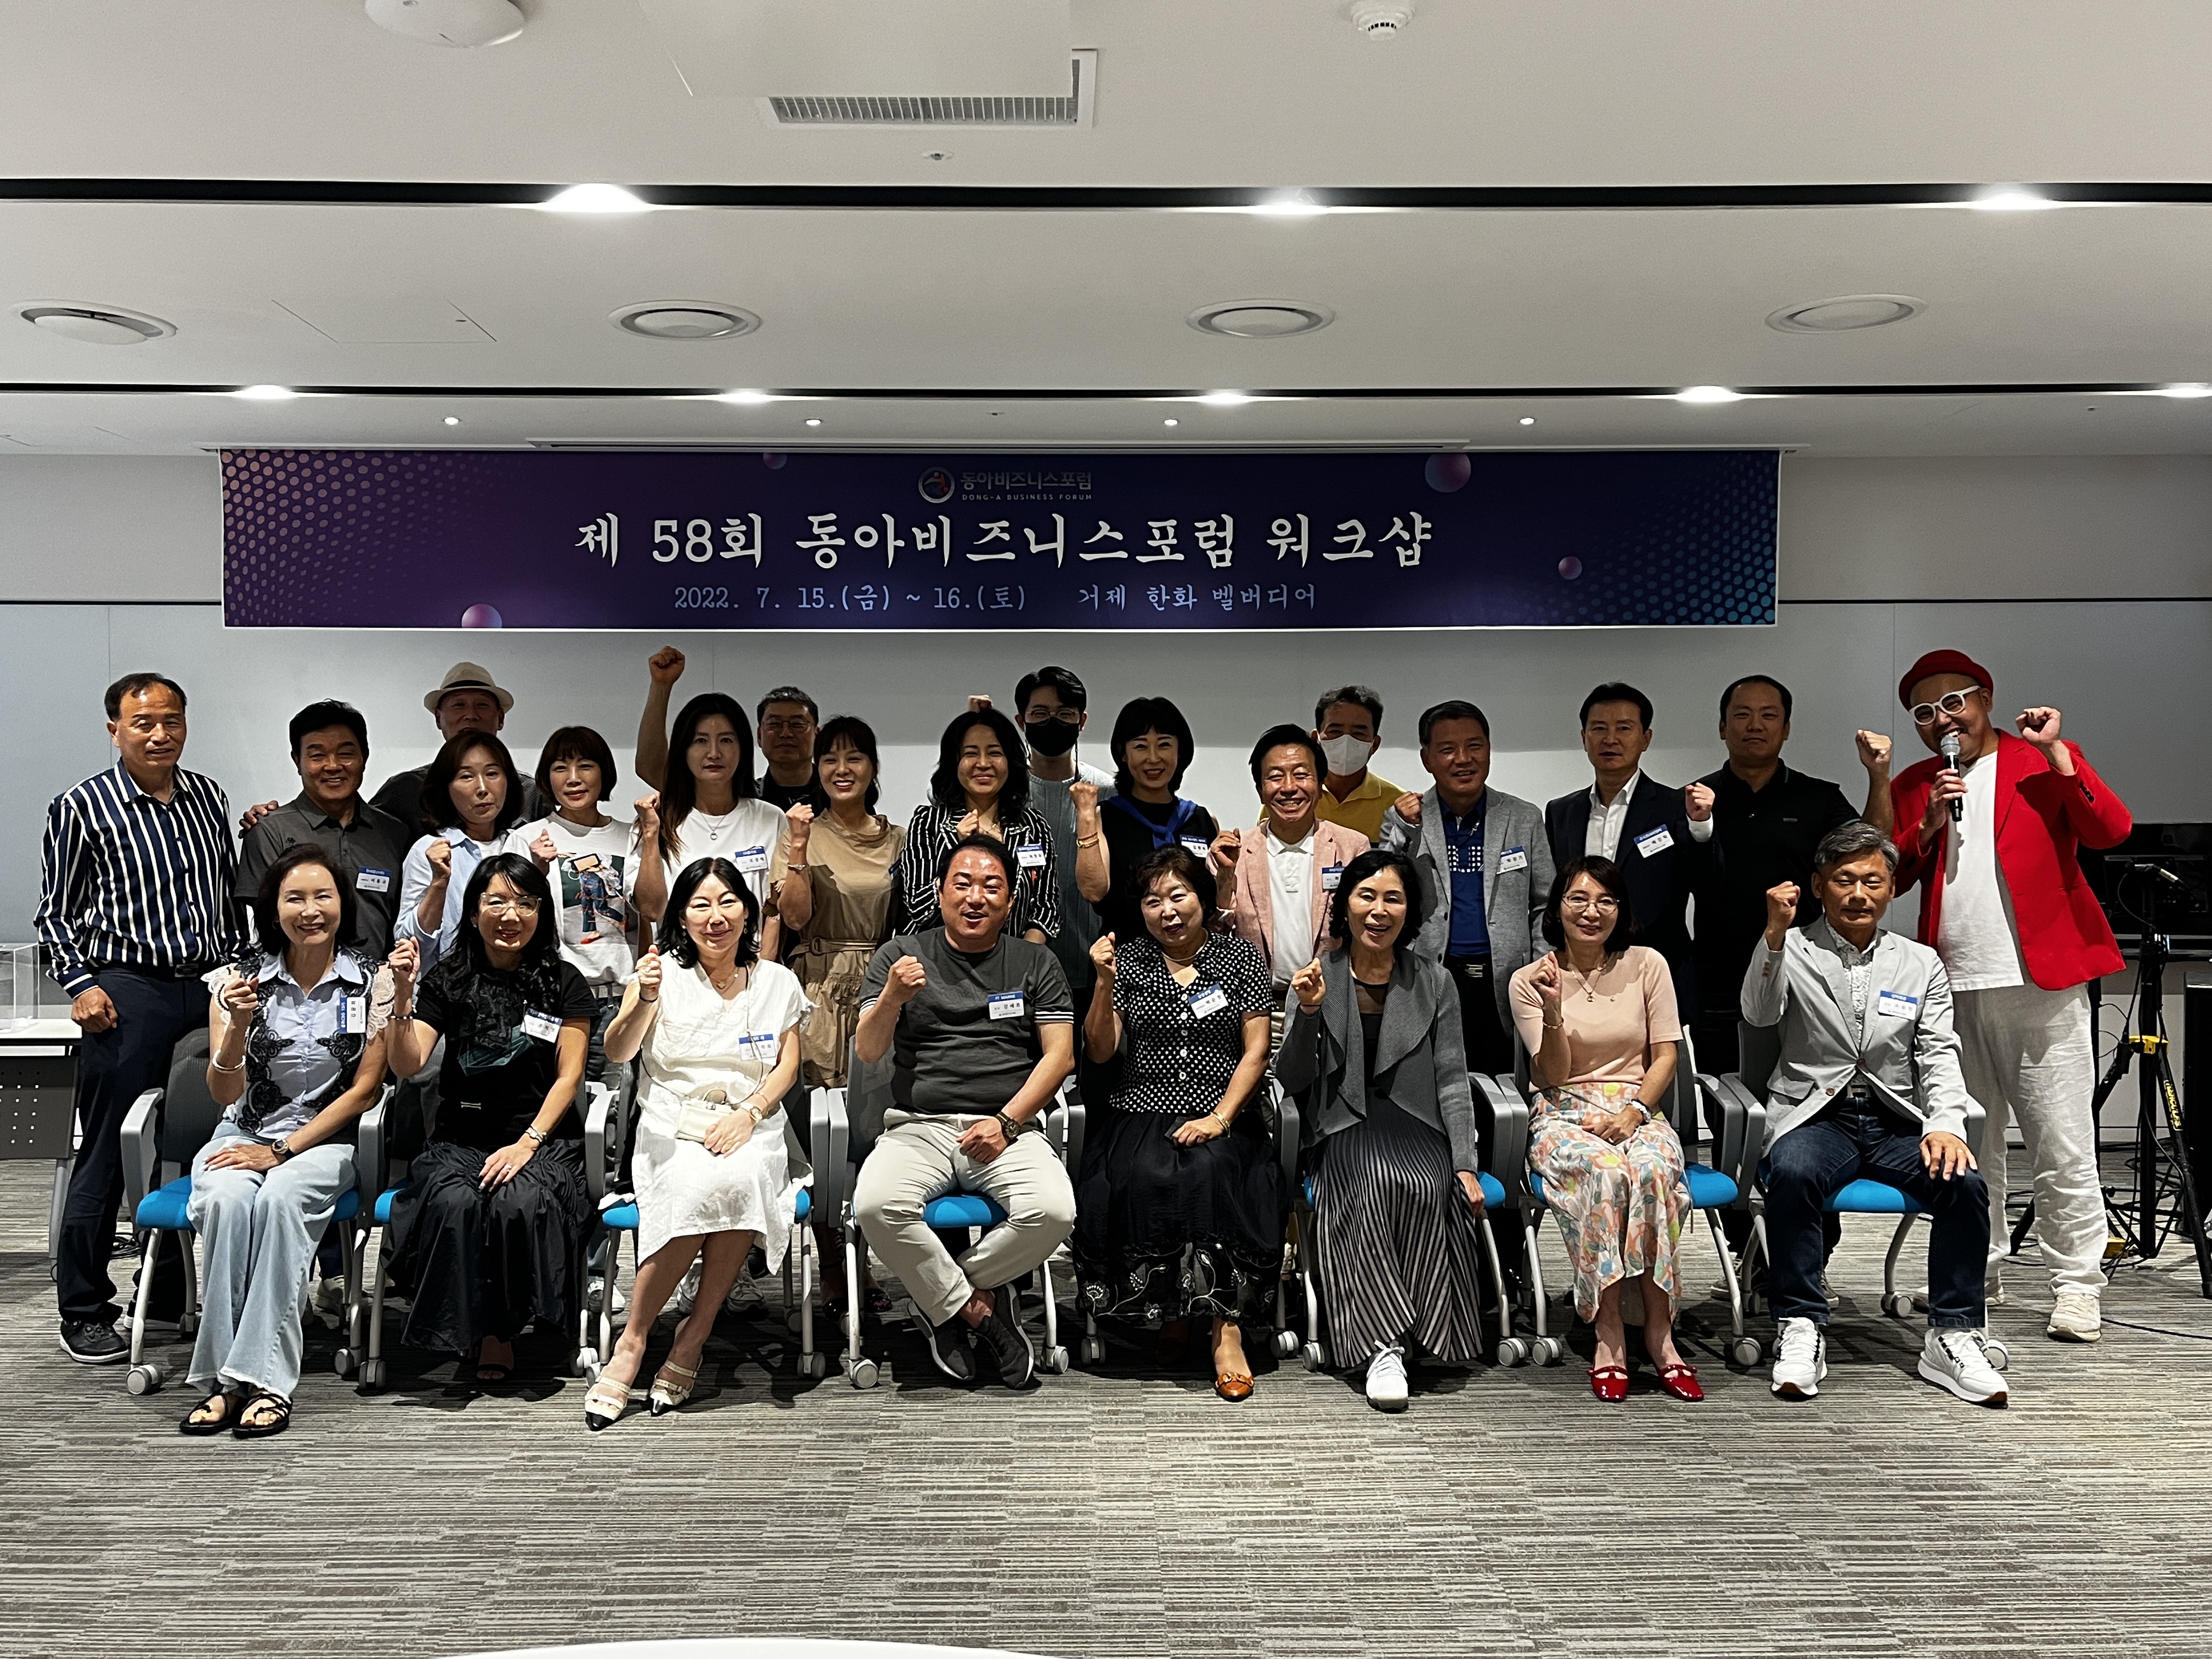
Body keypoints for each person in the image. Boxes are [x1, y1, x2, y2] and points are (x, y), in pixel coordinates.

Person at [1888, 648, 2131, 1344]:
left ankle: (2077, 1283)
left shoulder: (2041, 759)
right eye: (1925, 712)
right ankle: (1978, 1271)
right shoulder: (1918, 783)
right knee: (1967, 1145)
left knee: (2061, 1139)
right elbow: (1893, 877)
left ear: (1986, 699)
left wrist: (2059, 755)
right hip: (1950, 987)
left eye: (1954, 702)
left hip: (2038, 981)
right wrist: (1928, 824)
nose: (1943, 720)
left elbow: (2110, 830)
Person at [1743, 821, 2006, 1407]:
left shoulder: (1921, 962)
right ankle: (1800, 1323)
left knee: (1964, 1182)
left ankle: (1953, 1333)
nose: (1858, 894)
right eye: (1844, 880)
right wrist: (1774, 936)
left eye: (1872, 881)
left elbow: (1938, 1052)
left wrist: (1945, 1125)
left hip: (1895, 1117)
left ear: (1891, 889)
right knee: (1794, 1173)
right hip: (1815, 1113)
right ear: (1819, 886)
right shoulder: (1794, 946)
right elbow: (1759, 1015)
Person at [36, 673, 239, 1365]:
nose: (159, 734)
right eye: (143, 722)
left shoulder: (208, 797)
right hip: (129, 993)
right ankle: (84, 1308)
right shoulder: (81, 806)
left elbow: (223, 895)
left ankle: (171, 1295)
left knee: (194, 1144)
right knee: (111, 1151)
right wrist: (81, 985)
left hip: (205, 988)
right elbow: (55, 916)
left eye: (171, 720)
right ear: (114, 729)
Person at [586, 859, 812, 1429]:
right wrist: (644, 998)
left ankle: (693, 1335)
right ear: (682, 917)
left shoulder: (777, 981)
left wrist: (750, 1114)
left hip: (752, 1120)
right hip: (671, 1121)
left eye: (728, 902)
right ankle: (635, 1341)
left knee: (739, 1175)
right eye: (701, 905)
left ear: (748, 912)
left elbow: (788, 1066)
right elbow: (618, 1052)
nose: (716, 917)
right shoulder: (659, 973)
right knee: (694, 1182)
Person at [178, 847, 394, 1438]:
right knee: (226, 1202)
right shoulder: (236, 981)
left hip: (326, 1142)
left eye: (323, 896)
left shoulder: (374, 983)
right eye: (294, 898)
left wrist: (282, 1152)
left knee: (279, 1200)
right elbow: (224, 1091)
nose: (310, 910)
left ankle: (263, 1382)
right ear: (274, 910)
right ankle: (225, 1382)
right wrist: (236, 1028)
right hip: (243, 1131)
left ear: (343, 904)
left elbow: (365, 1091)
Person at [851, 836, 1077, 1390]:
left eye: (991, 887)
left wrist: (1006, 1123)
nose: (976, 897)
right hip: (919, 1126)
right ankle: (980, 1309)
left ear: (1011, 900)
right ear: (939, 891)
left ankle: (939, 1300)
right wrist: (891, 999)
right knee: (875, 1206)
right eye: (963, 883)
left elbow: (1060, 1057)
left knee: (1053, 1212)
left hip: (1009, 1125)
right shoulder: (900, 954)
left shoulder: (1036, 961)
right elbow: (868, 1051)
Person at [1274, 848, 1489, 1412]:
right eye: (1366, 896)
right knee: (1370, 1179)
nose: (1378, 910)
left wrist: (1465, 1163)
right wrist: (1309, 1013)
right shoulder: (1318, 975)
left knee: (1432, 1184)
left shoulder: (1435, 981)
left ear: (1409, 910)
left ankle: (1425, 1330)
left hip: (1414, 1122)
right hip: (1339, 1122)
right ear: (1345, 905)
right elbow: (1291, 1078)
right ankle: (1380, 1345)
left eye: (1393, 898)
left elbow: (1452, 1079)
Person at [1076, 847, 1280, 1400]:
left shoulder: (1240, 958)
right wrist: (1102, 983)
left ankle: (1225, 1331)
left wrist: (1220, 1118)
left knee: (1211, 1170)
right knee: (1147, 1173)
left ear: (1202, 898)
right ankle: (1172, 1313)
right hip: (1142, 1106)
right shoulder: (1131, 961)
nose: (1167, 910)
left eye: (1178, 895)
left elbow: (1256, 1052)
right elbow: (1101, 1051)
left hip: (1224, 1107)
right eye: (1152, 901)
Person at [383, 855, 595, 1381]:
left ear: (542, 913)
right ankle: (463, 1326)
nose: (511, 915)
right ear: (474, 910)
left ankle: (500, 1333)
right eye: (496, 901)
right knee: (455, 1201)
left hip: (541, 1139)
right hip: (461, 1137)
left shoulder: (564, 981)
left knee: (518, 1199)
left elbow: (569, 1078)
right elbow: (408, 1063)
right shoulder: (448, 978)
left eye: (525, 903)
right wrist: (404, 994)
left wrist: (527, 1143)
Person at [1509, 856, 1700, 1404]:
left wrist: (1634, 1112)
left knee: (1651, 1169)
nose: (1592, 912)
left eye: (1606, 901)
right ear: (1558, 907)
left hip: (1638, 1106)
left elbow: (1666, 1056)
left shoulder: (1648, 964)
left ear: (1621, 910)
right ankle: (1609, 1330)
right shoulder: (1530, 979)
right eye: (1578, 899)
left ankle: (1660, 1331)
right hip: (1563, 1109)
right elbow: (1551, 1074)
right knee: (1604, 1172)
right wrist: (1552, 1009)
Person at [1690, 674, 1893, 1075]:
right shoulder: (1697, 799)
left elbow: (1871, 849)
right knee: (1723, 1094)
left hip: (1804, 970)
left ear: (1786, 729)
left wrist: (1879, 776)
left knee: (1803, 1086)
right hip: (1718, 973)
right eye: (1742, 715)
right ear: (1722, 727)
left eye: (1769, 716)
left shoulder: (1818, 797)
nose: (1755, 725)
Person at [1381, 699, 1554, 1079]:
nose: (1463, 759)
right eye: (1447, 749)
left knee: (1504, 1088)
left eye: (1475, 746)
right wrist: (1404, 832)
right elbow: (1383, 889)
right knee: (1433, 1086)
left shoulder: (1523, 817)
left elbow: (1547, 902)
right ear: (1427, 759)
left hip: (1506, 980)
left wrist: (1540, 965)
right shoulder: (1405, 819)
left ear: (1489, 750)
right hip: (1431, 975)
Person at [1542, 683, 1714, 1024]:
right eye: (1599, 729)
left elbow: (1707, 884)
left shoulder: (1675, 807)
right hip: (1580, 975)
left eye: (1624, 728)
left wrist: (1701, 827)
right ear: (1584, 738)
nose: (1610, 739)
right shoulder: (1561, 812)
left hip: (1656, 970)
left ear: (1645, 739)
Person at [506, 725, 636, 1084]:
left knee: (614, 1107)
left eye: (586, 766)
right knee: (552, 1100)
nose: (573, 778)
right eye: (561, 767)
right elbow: (511, 921)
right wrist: (536, 869)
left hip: (620, 1000)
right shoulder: (527, 838)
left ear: (605, 773)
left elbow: (651, 911)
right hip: (552, 999)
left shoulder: (633, 835)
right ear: (547, 777)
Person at [779, 716, 905, 1088]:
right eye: (830, 760)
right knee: (817, 1096)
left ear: (873, 767)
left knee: (877, 1093)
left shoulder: (899, 839)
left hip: (881, 981)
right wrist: (799, 846)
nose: (842, 770)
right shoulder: (801, 834)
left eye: (854, 758)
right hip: (819, 982)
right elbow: (794, 918)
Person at [234, 701, 412, 958]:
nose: (332, 766)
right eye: (317, 756)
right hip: (297, 980)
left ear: (364, 757)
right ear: (297, 761)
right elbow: (265, 921)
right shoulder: (270, 831)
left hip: (380, 977)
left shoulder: (395, 833)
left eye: (345, 753)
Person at [1215, 725, 1369, 1012]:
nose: (1288, 788)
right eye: (1275, 777)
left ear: (1320, 786)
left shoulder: (1352, 848)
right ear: (1260, 791)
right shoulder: (1233, 853)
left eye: (1301, 775)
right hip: (1257, 1009)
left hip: (1333, 1004)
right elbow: (1214, 939)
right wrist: (1224, 881)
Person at [632, 691, 789, 961]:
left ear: (743, 748)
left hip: (750, 969)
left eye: (726, 740)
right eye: (700, 741)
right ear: (683, 750)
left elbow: (778, 912)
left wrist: (762, 975)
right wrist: (650, 834)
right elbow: (651, 910)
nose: (714, 753)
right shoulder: (657, 820)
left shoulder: (771, 819)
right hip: (677, 971)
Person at [898, 707, 1063, 946]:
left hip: (1015, 959)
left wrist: (1024, 954)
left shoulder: (1033, 826)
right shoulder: (928, 823)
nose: (983, 763)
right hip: (936, 961)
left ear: (1010, 761)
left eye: (995, 753)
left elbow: (1047, 906)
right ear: (955, 762)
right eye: (971, 754)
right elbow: (918, 908)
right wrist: (957, 848)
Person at [1091, 696, 1222, 949]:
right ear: (1123, 753)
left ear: (1180, 751)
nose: (1153, 758)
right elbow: (1094, 893)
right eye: (1141, 746)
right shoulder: (1104, 817)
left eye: (1164, 745)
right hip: (1125, 958)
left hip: (1195, 960)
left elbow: (1216, 899)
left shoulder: (1202, 820)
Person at [394, 730, 527, 974]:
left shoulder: (523, 844)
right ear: (446, 788)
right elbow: (408, 944)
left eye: (492, 774)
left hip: (516, 986)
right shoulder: (429, 849)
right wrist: (439, 884)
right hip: (448, 989)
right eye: (466, 776)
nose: (482, 788)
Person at [634, 646, 821, 813]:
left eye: (798, 724)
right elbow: (652, 769)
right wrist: (661, 686)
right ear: (759, 736)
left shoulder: (835, 793)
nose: (786, 733)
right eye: (775, 724)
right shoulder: (738, 795)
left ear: (817, 735)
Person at [367, 662, 543, 837]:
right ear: (438, 718)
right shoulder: (405, 789)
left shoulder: (531, 793)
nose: (471, 715)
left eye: (482, 705)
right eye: (459, 705)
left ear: (501, 718)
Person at [1310, 685, 1402, 844]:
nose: (1346, 741)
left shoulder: (1396, 805)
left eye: (1359, 733)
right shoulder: (1293, 798)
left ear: (1375, 745)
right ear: (1315, 740)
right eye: (1335, 731)